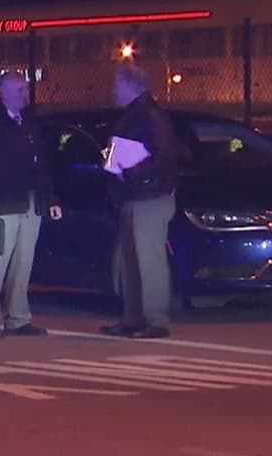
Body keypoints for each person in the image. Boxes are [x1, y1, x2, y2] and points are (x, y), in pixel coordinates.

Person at [0, 72, 62, 339]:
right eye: (20, 89)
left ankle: (18, 317)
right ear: (3, 92)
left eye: (26, 88)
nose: (26, 93)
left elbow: (41, 164)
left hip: (30, 202)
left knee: (23, 263)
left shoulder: (29, 123)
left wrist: (50, 199)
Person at [101, 65, 178, 340]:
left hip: (147, 196)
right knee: (130, 261)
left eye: (117, 84)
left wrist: (129, 172)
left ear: (132, 86)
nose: (113, 90)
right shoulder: (139, 115)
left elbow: (162, 155)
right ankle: (133, 317)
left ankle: (155, 320)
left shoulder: (149, 116)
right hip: (134, 195)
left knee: (148, 260)